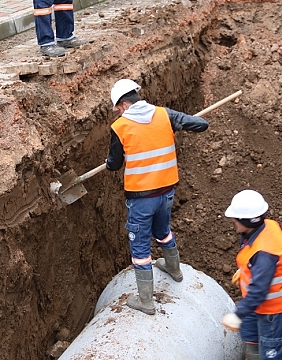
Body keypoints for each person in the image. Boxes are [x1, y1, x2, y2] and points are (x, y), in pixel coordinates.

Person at [105, 79, 209, 315]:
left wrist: (109, 161)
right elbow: (201, 124)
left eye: (118, 108)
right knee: (162, 230)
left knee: (140, 246)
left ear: (123, 104)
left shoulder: (120, 127)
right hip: (166, 192)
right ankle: (174, 269)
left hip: (141, 197)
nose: (119, 113)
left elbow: (114, 165)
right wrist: (178, 124)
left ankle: (145, 301)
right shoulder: (164, 115)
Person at [220, 190, 282, 360]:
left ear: (247, 221)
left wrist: (237, 314)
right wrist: (246, 270)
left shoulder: (264, 254)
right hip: (260, 304)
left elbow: (259, 290)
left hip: (274, 309)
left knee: (271, 353)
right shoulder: (267, 225)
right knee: (249, 333)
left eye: (235, 220)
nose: (233, 222)